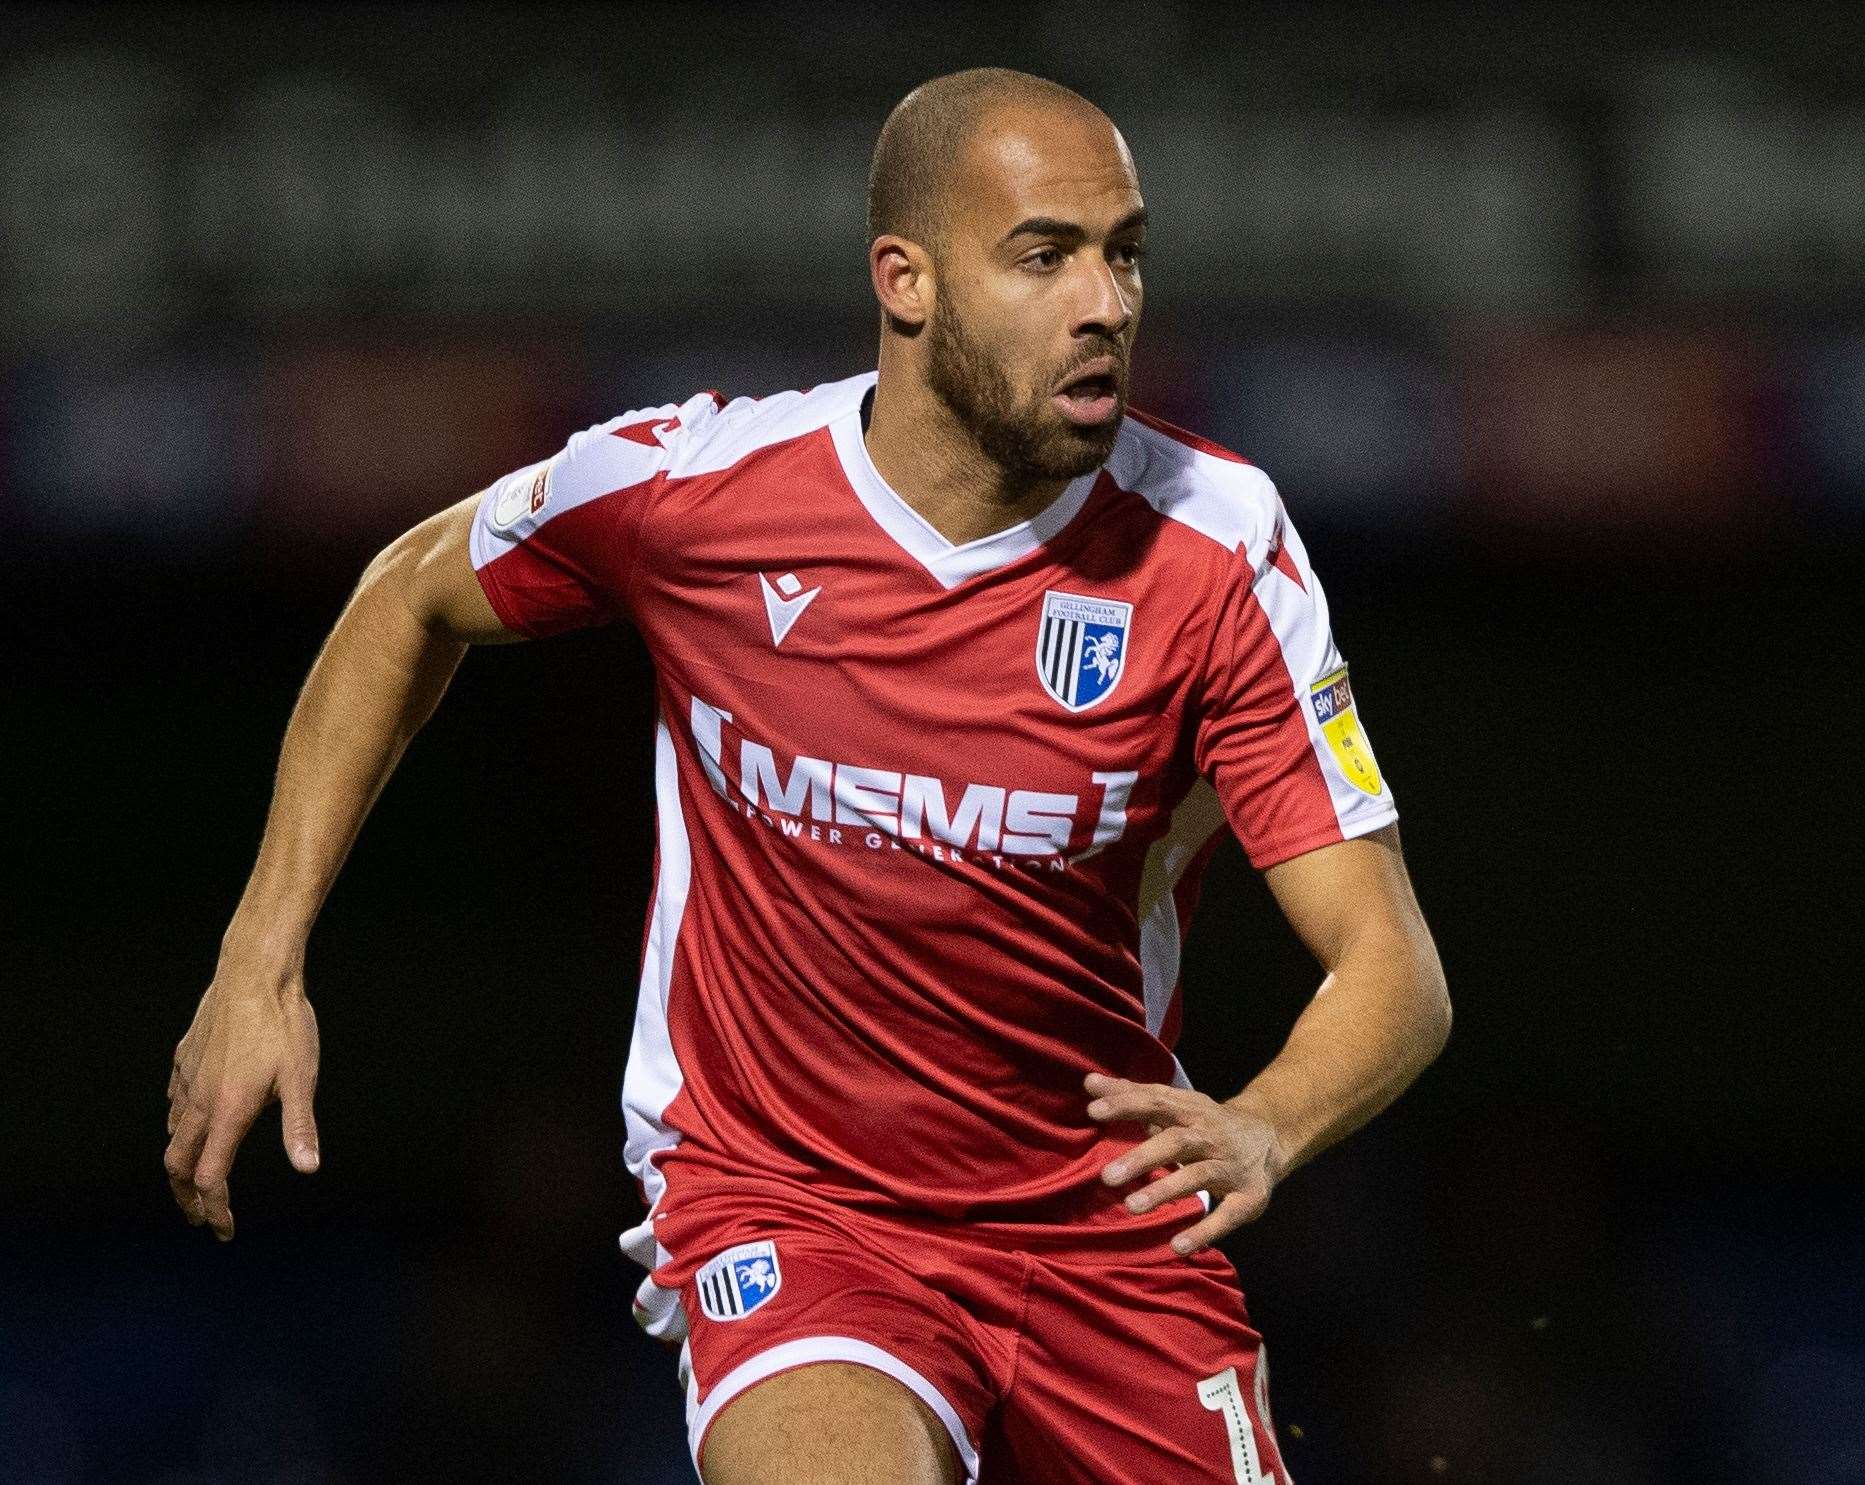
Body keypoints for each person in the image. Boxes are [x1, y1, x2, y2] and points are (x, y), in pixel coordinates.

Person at [164, 67, 1450, 1485]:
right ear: (904, 281)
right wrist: (258, 960)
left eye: (1123, 251)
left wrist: (1264, 1122)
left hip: (1102, 1242)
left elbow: (1389, 964)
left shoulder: (1217, 547)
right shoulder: (699, 490)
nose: (1107, 303)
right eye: (1044, 255)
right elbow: (404, 595)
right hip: (793, 1207)